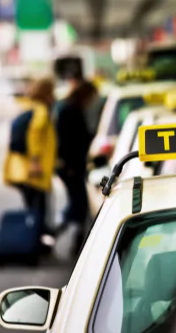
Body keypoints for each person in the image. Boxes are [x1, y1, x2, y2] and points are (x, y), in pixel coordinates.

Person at [3, 77, 58, 254]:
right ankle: (33, 245)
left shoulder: (29, 106)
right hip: (35, 171)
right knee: (38, 211)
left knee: (33, 210)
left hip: (22, 170)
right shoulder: (41, 110)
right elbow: (34, 136)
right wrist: (35, 162)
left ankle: (33, 243)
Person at [54, 82, 97, 256]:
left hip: (74, 165)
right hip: (71, 167)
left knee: (79, 205)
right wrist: (69, 165)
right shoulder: (69, 111)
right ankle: (52, 233)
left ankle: (76, 243)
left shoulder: (71, 109)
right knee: (78, 204)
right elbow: (66, 141)